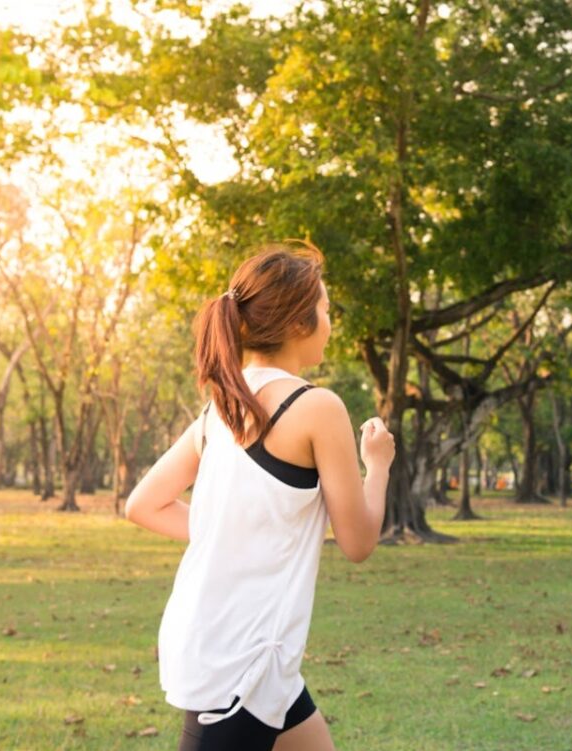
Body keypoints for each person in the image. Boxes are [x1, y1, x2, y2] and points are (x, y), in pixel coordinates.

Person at [125, 242, 395, 751]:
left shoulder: (220, 409)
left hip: (249, 653)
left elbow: (144, 504)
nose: (330, 323)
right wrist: (377, 466)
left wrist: (231, 532)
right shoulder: (316, 406)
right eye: (326, 310)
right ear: (298, 323)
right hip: (238, 665)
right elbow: (358, 541)